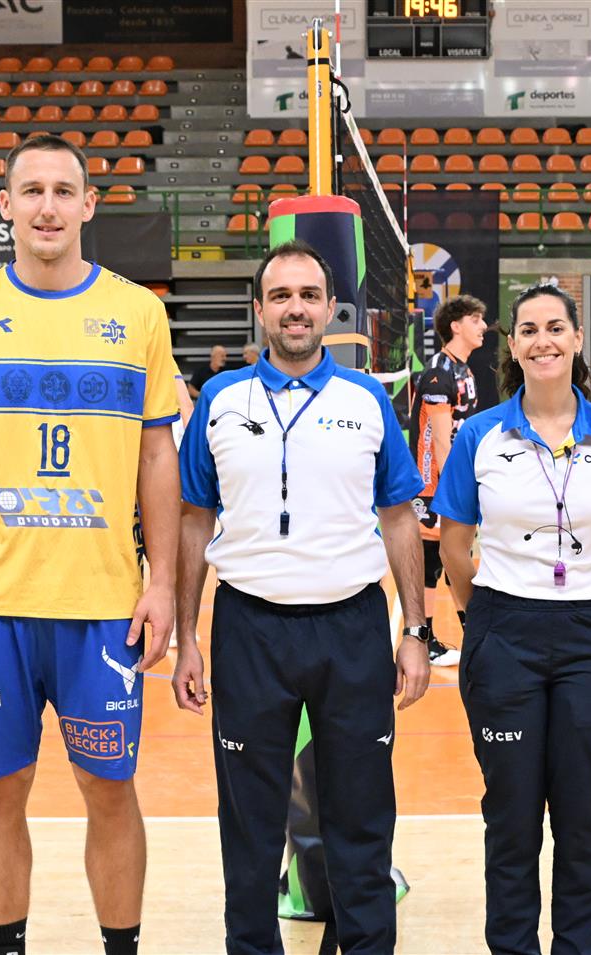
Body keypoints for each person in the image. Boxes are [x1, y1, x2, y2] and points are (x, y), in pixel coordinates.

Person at [0, 133, 180, 955]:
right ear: (7, 206)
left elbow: (157, 457)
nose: (47, 206)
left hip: (103, 604)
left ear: (89, 205)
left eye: (62, 191)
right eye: (32, 191)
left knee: (110, 789)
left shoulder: (138, 313)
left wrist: (162, 581)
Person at [172, 239, 430, 955]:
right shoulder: (222, 400)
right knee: (250, 822)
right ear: (259, 309)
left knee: (361, 818)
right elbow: (193, 517)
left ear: (330, 308)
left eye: (309, 295)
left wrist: (415, 629)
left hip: (352, 627)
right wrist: (186, 636)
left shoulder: (366, 398)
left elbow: (399, 515)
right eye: (281, 296)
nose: (296, 308)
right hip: (249, 629)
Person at [433, 283, 591, 955]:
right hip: (503, 632)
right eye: (528, 329)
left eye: (556, 327)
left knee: (583, 814)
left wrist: (585, 596)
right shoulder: (480, 434)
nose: (543, 340)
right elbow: (453, 544)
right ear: (514, 346)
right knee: (512, 816)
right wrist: (483, 616)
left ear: (577, 339)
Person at [408, 293, 487, 667]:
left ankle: (474, 633)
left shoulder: (463, 371)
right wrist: (456, 490)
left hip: (451, 477)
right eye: (475, 320)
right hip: (432, 482)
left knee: (458, 555)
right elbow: (441, 441)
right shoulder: (439, 373)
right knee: (433, 562)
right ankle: (425, 641)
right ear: (456, 326)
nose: (483, 326)